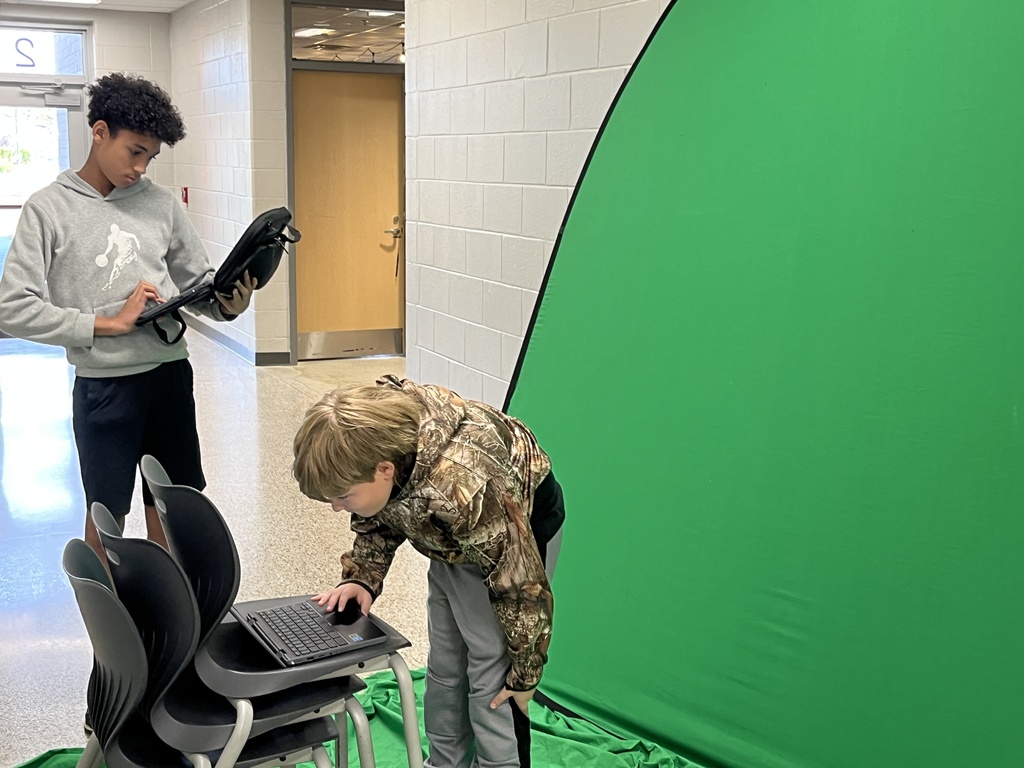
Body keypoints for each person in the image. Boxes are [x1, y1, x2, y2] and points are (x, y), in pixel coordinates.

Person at [0, 72, 256, 559]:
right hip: (104, 389)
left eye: (150, 156)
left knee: (173, 507)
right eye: (134, 151)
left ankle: (173, 615)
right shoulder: (47, 210)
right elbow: (11, 308)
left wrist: (225, 304)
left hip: (169, 377)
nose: (141, 167)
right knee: (106, 516)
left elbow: (196, 281)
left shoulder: (160, 204)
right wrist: (105, 324)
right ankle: (109, 628)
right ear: (100, 132)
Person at [293, 375, 565, 768]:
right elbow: (380, 510)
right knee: (447, 661)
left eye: (343, 496)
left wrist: (525, 674)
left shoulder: (463, 489)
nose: (338, 507)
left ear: (384, 469)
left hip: (513, 528)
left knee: (491, 671)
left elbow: (520, 587)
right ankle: (446, 761)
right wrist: (363, 577)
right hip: (450, 532)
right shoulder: (372, 447)